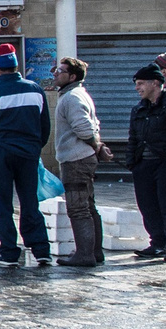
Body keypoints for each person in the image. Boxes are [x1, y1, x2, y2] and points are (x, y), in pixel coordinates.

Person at [0, 43, 53, 269]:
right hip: (29, 152)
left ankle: (9, 252)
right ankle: (40, 250)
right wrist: (35, 146)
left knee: (1, 203)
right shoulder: (35, 89)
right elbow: (44, 125)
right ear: (17, 66)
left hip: (0, 152)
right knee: (30, 201)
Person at [53, 56, 111, 268]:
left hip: (76, 159)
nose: (55, 73)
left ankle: (85, 254)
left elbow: (84, 128)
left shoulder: (72, 98)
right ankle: (94, 252)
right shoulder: (77, 94)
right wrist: (98, 146)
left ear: (73, 76)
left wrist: (97, 146)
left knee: (78, 208)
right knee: (88, 205)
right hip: (81, 157)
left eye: (60, 70)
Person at [127, 64, 166, 261]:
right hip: (144, 166)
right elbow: (133, 138)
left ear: (155, 83)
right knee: (147, 206)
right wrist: (133, 163)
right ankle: (157, 242)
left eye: (140, 84)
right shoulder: (138, 109)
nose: (137, 88)